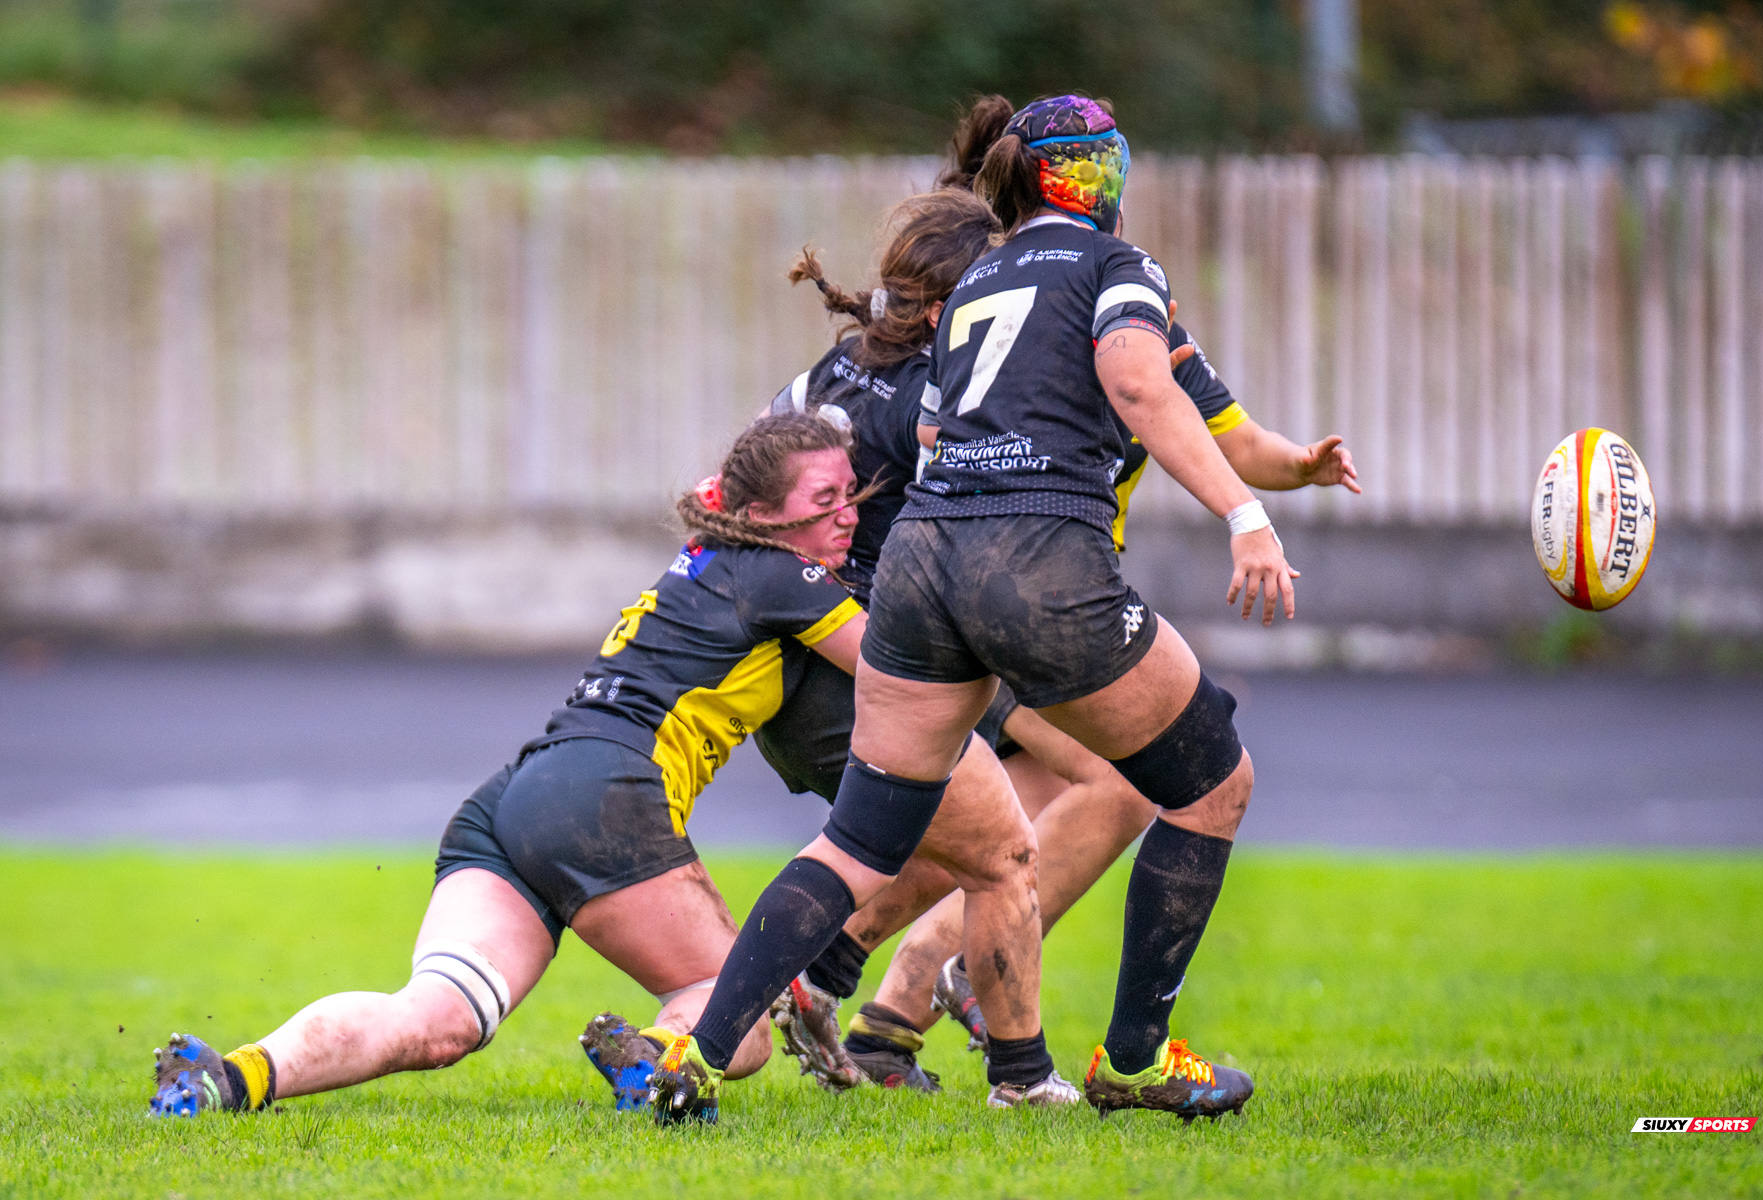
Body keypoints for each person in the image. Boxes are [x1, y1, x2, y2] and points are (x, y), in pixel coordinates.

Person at [650, 94, 1301, 1126]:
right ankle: (1126, 1060)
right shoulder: (1109, 273)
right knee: (1200, 782)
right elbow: (1137, 388)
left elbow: (805, 462)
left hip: (911, 581)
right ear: (1085, 183)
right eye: (1091, 171)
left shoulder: (961, 303)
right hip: (1021, 569)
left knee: (879, 840)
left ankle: (698, 1050)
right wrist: (1247, 515)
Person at [146, 412, 870, 1118]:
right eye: (825, 501)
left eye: (852, 496)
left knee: (438, 1016)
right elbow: (895, 673)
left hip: (520, 796)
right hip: (606, 799)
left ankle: (230, 1078)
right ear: (759, 513)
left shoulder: (709, 561)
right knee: (736, 1023)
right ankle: (650, 1058)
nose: (848, 517)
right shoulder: (783, 576)